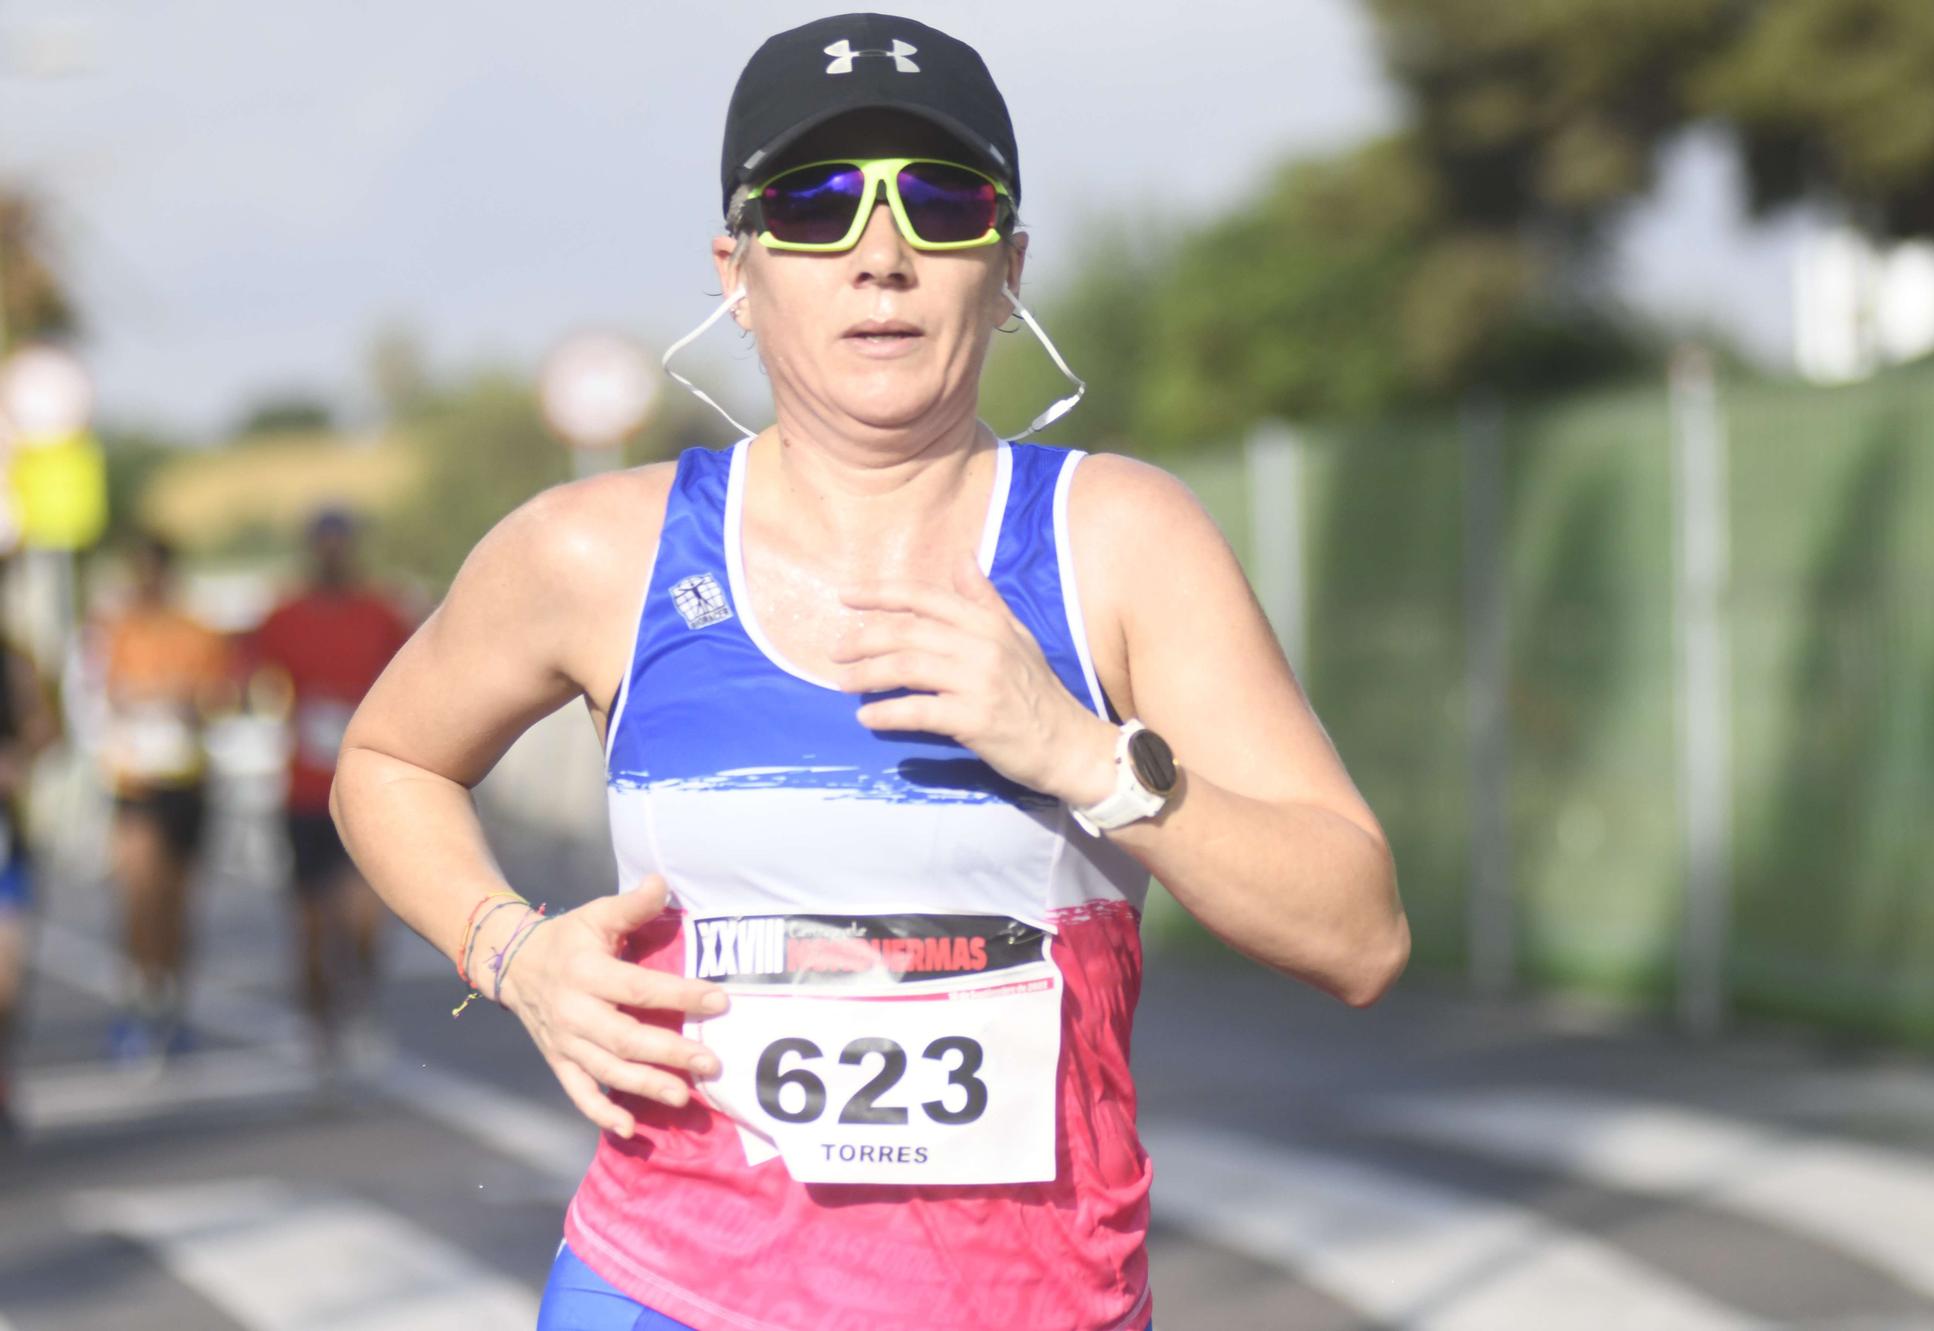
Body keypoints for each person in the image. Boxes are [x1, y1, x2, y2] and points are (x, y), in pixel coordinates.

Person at [333, 14, 1407, 1330]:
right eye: (817, 202)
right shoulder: (594, 551)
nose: (882, 255)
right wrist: (516, 952)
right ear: (737, 269)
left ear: (1007, 269)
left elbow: (1359, 933)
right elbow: (387, 759)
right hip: (666, 1293)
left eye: (942, 202)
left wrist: (1085, 755)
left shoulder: (1120, 541)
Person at [245, 508, 410, 1068]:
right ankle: (317, 1028)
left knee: (365, 920)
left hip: (369, 788)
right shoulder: (283, 616)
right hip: (305, 795)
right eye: (325, 544)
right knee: (311, 926)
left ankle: (361, 1005)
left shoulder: (382, 613)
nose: (334, 554)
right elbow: (245, 678)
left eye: (343, 543)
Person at [98, 533, 230, 1060]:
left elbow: (219, 697)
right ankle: (140, 998)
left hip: (186, 781)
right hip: (135, 783)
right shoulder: (115, 630)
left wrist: (186, 701)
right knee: (138, 895)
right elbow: (97, 693)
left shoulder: (198, 632)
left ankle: (173, 1001)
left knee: (178, 901)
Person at [0, 621, 60, 1137]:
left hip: (5, 845)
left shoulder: (13, 658)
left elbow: (45, 728)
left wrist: (19, 757)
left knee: (6, 978)